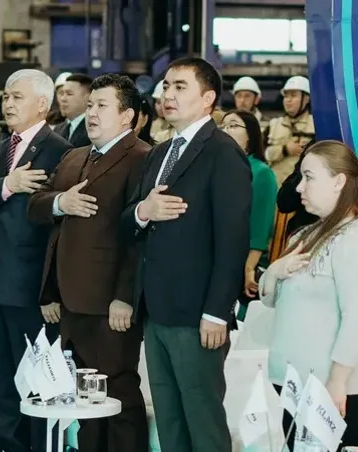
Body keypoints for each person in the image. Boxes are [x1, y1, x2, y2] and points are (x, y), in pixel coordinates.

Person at [120, 57, 251, 452]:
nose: (168, 94)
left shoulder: (223, 153)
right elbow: (126, 223)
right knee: (169, 420)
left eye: (180, 86)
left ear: (207, 98)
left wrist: (217, 311)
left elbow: (232, 240)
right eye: (166, 86)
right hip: (156, 309)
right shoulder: (159, 153)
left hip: (196, 315)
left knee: (202, 421)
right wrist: (144, 211)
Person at [27, 73, 150, 452]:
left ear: (127, 115)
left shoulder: (143, 158)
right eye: (91, 104)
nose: (92, 113)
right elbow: (36, 206)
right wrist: (60, 202)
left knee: (118, 393)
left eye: (102, 106)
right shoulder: (74, 156)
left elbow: (140, 239)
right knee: (84, 396)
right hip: (70, 299)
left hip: (110, 303)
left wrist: (125, 296)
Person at [0, 68, 71, 452]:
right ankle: (7, 444)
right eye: (6, 96)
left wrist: (52, 289)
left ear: (42, 104)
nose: (8, 103)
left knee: (36, 375)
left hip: (32, 284)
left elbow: (61, 230)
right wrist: (8, 185)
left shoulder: (60, 151)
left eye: (17, 97)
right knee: (2, 375)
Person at [258, 140, 358, 452]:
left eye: (309, 177)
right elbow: (271, 298)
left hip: (338, 391)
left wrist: (337, 381)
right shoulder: (307, 234)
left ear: (339, 181)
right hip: (298, 386)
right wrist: (275, 271)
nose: (299, 187)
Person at [220, 110, 277, 306]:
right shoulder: (217, 169)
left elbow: (260, 226)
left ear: (250, 135)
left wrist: (249, 268)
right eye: (223, 126)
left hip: (241, 261)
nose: (225, 130)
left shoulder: (261, 172)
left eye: (233, 125)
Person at [265, 75, 316, 186]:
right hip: (276, 188)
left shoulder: (316, 125)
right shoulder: (273, 124)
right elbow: (262, 154)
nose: (288, 100)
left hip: (304, 189)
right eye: (286, 96)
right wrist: (285, 150)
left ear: (306, 99)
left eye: (293, 95)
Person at [56, 73, 92, 147]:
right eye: (62, 93)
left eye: (69, 94)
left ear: (88, 98)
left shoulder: (95, 129)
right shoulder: (58, 129)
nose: (63, 99)